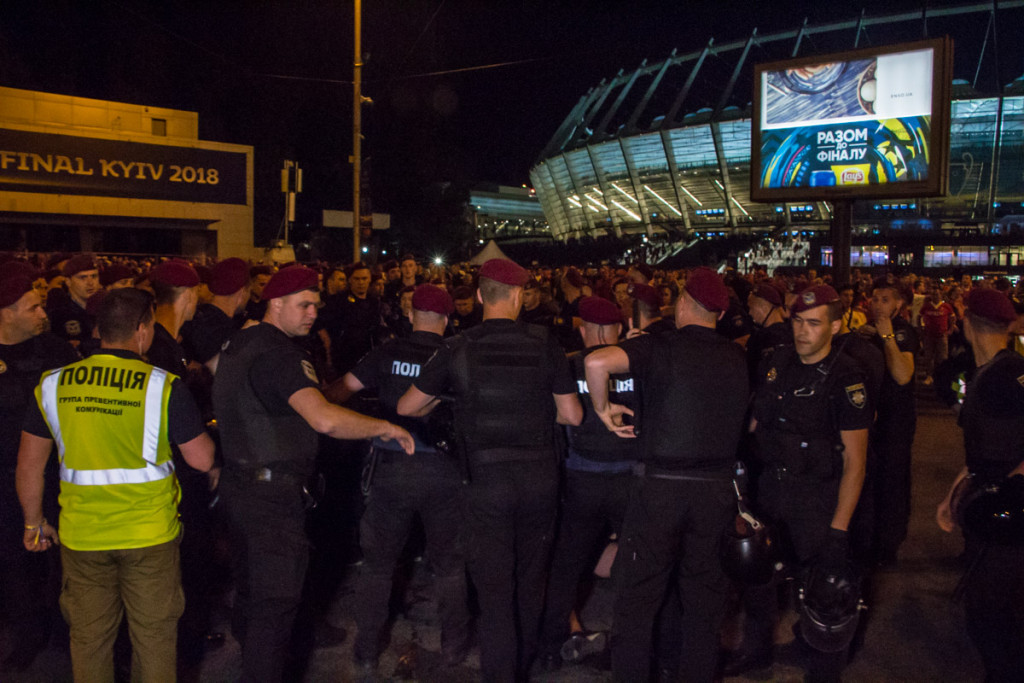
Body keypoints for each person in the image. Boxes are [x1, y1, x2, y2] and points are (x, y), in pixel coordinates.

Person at [212, 265, 414, 683]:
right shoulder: (280, 353)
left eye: (315, 306)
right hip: (271, 498)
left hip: (240, 486)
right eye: (303, 305)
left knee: (251, 596)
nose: (312, 314)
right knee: (276, 606)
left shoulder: (239, 342)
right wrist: (385, 427)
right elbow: (323, 418)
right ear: (275, 303)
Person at [16, 287, 216, 682]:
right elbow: (201, 459)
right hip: (149, 536)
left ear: (98, 329)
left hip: (83, 536)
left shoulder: (54, 385)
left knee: (89, 640)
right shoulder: (162, 386)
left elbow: (28, 465)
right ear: (143, 331)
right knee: (154, 638)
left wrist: (33, 522)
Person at [398, 258, 582, 683]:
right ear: (519, 297)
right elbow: (571, 416)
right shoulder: (546, 343)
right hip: (539, 479)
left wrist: (454, 402)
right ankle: (529, 661)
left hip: (484, 482)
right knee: (531, 580)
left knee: (494, 591)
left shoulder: (457, 347)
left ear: (480, 296)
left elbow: (407, 405)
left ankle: (501, 674)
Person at [584, 267, 749, 682]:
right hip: (715, 493)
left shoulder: (660, 346)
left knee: (637, 603)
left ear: (683, 303)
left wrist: (604, 411)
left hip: (660, 490)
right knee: (703, 605)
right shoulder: (738, 356)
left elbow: (598, 361)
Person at [727, 285, 870, 681]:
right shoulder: (777, 361)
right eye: (797, 321)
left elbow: (856, 462)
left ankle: (823, 669)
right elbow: (755, 421)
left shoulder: (847, 376)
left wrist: (839, 531)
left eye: (813, 323)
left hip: (817, 497)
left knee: (824, 591)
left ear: (836, 326)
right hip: (771, 489)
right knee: (758, 579)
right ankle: (757, 654)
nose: (802, 330)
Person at [326, 284, 469, 674]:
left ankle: (367, 652)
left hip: (391, 469)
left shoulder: (387, 352)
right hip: (445, 470)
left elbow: (340, 390)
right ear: (448, 318)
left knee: (377, 566)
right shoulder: (457, 355)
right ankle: (455, 648)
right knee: (450, 566)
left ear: (411, 315)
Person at [538, 295, 637, 669]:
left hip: (581, 478)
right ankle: (633, 650)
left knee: (565, 566)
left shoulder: (566, 367)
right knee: (638, 566)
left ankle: (550, 647)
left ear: (582, 331)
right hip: (630, 478)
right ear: (619, 329)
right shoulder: (636, 366)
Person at [936, 288, 1024, 683]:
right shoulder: (993, 371)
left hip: (1008, 513)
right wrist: (955, 490)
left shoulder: (1005, 377)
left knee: (993, 615)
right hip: (991, 503)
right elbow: (983, 451)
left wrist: (1011, 488)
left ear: (967, 323)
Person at [0, 270, 78, 672]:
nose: (42, 313)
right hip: (5, 478)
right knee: (14, 560)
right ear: (5, 314)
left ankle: (68, 634)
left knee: (65, 559)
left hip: (56, 474)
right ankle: (27, 634)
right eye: (32, 307)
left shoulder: (56, 351)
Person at [859, 278, 918, 567]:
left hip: (895, 422)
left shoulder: (903, 332)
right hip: (871, 421)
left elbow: (903, 375)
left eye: (885, 299)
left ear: (899, 304)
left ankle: (888, 546)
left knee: (892, 482)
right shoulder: (869, 334)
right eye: (874, 298)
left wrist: (887, 337)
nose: (878, 304)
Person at [47, 254, 100, 348]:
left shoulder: (106, 309)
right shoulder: (59, 314)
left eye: (94, 276)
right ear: (68, 281)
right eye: (83, 277)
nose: (90, 283)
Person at [745, 282, 792, 385]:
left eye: (751, 308)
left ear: (764, 308)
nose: (750, 313)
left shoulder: (760, 339)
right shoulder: (791, 333)